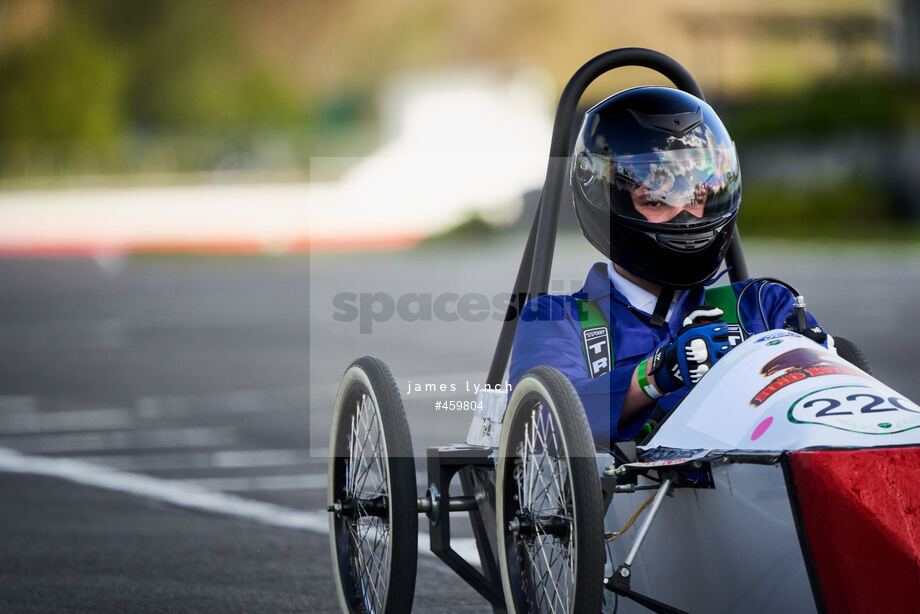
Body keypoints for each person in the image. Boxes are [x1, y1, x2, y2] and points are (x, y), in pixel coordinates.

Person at [509, 86, 826, 445]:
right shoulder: (555, 319)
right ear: (607, 200)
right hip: (631, 498)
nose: (685, 216)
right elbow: (538, 426)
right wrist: (657, 374)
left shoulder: (763, 306)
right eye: (658, 199)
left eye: (696, 196)